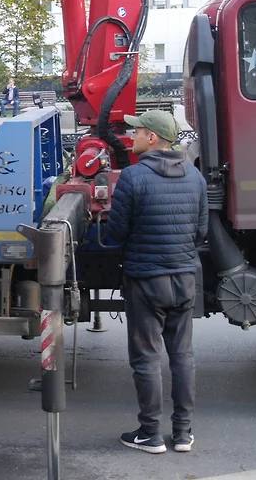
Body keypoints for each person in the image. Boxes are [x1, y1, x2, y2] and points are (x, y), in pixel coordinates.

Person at [107, 109, 207, 455]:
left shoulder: (133, 178)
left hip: (146, 281)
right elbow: (201, 231)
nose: (130, 136)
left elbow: (115, 233)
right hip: (184, 278)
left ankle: (150, 434)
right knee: (182, 356)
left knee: (146, 357)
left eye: (136, 132)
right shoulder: (195, 177)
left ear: (152, 138)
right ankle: (182, 434)